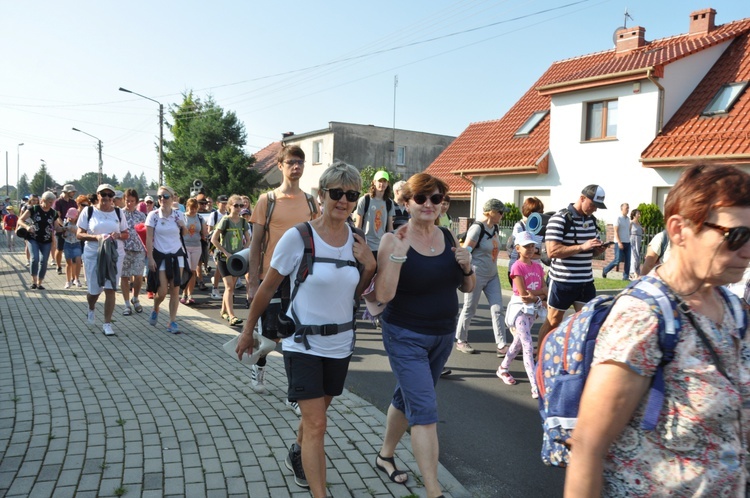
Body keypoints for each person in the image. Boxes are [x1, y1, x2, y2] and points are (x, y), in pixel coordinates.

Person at [564, 163, 750, 496]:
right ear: (679, 230)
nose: (747, 251)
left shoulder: (733, 309)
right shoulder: (643, 316)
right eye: (735, 236)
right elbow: (587, 449)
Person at [236, 163, 376, 497]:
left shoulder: (358, 241)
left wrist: (369, 266)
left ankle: (298, 453)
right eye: (336, 193)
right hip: (302, 344)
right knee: (317, 423)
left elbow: (355, 294)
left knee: (316, 416)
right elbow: (267, 288)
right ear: (322, 195)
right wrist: (247, 329)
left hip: (341, 345)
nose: (343, 201)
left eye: (351, 195)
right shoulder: (299, 237)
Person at [373, 173, 474, 497]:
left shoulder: (447, 236)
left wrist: (468, 266)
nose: (429, 204)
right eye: (421, 198)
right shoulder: (393, 239)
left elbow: (466, 287)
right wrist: (399, 257)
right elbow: (384, 295)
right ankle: (434, 491)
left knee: (408, 397)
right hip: (405, 335)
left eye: (436, 198)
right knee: (425, 412)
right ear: (407, 202)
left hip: (442, 336)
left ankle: (384, 456)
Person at [247, 144, 319, 398]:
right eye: (291, 162)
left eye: (300, 161)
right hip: (271, 277)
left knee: (296, 333)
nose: (296, 166)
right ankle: (258, 371)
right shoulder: (267, 200)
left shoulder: (311, 202)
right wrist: (253, 281)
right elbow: (255, 244)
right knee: (267, 334)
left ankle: (295, 390)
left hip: (301, 279)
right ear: (280, 166)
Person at [537, 185, 608, 347]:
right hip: (562, 281)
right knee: (553, 321)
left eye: (598, 207)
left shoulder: (592, 221)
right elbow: (552, 251)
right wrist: (583, 246)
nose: (595, 209)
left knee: (589, 323)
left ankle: (578, 359)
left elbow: (590, 252)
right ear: (582, 198)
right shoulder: (559, 219)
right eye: (593, 205)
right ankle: (539, 357)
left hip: (585, 281)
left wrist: (597, 250)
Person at [455, 199, 508, 355]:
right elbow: (465, 252)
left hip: (493, 275)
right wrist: (467, 273)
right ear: (491, 212)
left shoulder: (495, 228)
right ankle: (461, 340)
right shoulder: (477, 229)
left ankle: (501, 345)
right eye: (500, 212)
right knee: (470, 309)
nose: (502, 215)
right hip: (477, 275)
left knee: (498, 309)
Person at [497, 231, 547, 397]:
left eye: (533, 246)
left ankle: (503, 368)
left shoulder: (538, 267)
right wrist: (538, 294)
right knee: (527, 345)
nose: (531, 249)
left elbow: (545, 291)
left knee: (518, 343)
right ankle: (535, 385)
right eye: (527, 246)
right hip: (520, 311)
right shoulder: (516, 267)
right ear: (517, 248)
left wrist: (536, 294)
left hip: (532, 311)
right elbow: (523, 295)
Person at [76, 184, 129, 336]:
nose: (106, 198)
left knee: (110, 288)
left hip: (114, 254)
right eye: (103, 194)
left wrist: (118, 235)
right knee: (94, 290)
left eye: (110, 195)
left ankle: (107, 323)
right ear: (98, 195)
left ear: (113, 198)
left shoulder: (118, 212)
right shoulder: (89, 211)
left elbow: (126, 233)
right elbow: (80, 234)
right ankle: (91, 308)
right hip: (94, 254)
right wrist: (97, 237)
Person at [145, 186, 188, 334]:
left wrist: (182, 225)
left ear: (173, 198)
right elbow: (149, 238)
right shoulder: (153, 215)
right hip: (161, 255)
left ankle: (172, 322)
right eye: (159, 197)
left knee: (175, 289)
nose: (162, 199)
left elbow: (185, 233)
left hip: (177, 255)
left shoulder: (178, 215)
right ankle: (156, 307)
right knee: (162, 291)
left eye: (165, 196)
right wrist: (150, 258)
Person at [211, 195, 251, 325]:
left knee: (231, 287)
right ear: (229, 206)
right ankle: (232, 315)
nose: (239, 208)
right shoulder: (225, 220)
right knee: (229, 287)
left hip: (236, 260)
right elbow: (214, 239)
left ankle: (223, 311)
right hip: (224, 258)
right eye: (236, 205)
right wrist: (226, 252)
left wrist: (243, 251)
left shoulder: (243, 222)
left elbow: (248, 239)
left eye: (241, 205)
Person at [18, 191, 62, 290]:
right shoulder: (34, 209)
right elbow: (20, 220)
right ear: (43, 200)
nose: (51, 204)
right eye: (49, 202)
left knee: (44, 261)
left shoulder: (53, 212)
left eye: (52, 202)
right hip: (33, 238)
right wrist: (27, 227)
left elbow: (56, 227)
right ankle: (33, 281)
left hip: (46, 240)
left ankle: (39, 282)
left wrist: (65, 229)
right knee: (35, 259)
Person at [354, 170, 394, 260]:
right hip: (366, 245)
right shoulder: (365, 200)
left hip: (382, 247)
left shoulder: (389, 203)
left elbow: (390, 228)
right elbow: (358, 226)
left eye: (384, 181)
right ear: (374, 182)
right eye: (380, 181)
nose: (382, 184)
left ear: (387, 184)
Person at [120, 189, 147, 315]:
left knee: (138, 275)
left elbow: (146, 232)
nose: (129, 203)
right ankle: (126, 304)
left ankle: (135, 297)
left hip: (139, 249)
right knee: (124, 276)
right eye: (127, 201)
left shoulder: (141, 215)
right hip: (123, 248)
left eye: (132, 201)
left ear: (136, 201)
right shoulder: (119, 214)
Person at [506, 197, 544, 282]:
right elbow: (520, 253)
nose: (542, 215)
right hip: (520, 270)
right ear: (531, 213)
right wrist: (536, 252)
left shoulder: (540, 228)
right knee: (524, 294)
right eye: (540, 212)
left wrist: (536, 253)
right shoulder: (520, 226)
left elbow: (543, 254)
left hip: (536, 270)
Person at [181, 198, 207, 305]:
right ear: (187, 207)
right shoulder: (182, 217)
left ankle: (190, 294)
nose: (193, 210)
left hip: (197, 246)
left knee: (192, 271)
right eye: (191, 208)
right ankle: (184, 293)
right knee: (185, 270)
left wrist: (206, 234)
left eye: (195, 208)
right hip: (185, 246)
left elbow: (204, 232)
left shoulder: (200, 218)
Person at [52, 184, 78, 274]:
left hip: (71, 228)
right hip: (61, 228)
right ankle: (58, 266)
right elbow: (57, 216)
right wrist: (64, 226)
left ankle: (71, 266)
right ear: (67, 192)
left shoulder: (73, 202)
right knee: (59, 248)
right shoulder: (58, 202)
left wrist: (74, 226)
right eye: (72, 191)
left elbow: (76, 214)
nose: (74, 193)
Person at [207, 195, 229, 300]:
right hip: (216, 245)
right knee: (219, 268)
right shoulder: (214, 215)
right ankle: (215, 289)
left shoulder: (229, 215)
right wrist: (211, 249)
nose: (225, 205)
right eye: (223, 203)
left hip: (228, 245)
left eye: (226, 203)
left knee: (226, 268)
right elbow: (209, 232)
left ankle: (227, 290)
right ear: (217, 203)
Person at [602, 203, 631, 280]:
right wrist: (619, 242)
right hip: (619, 242)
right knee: (617, 260)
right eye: (626, 208)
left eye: (628, 208)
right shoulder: (618, 218)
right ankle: (605, 270)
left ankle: (625, 277)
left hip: (627, 242)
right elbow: (616, 231)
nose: (628, 210)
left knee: (628, 261)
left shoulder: (628, 219)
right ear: (622, 209)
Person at [62, 207, 82, 289]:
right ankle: (68, 281)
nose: (70, 219)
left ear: (76, 217)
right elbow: (63, 235)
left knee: (78, 260)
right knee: (68, 263)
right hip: (67, 244)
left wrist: (74, 230)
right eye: (68, 217)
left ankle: (76, 279)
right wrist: (65, 231)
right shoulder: (66, 224)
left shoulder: (79, 224)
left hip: (76, 244)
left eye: (72, 217)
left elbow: (80, 234)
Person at [629, 208, 643, 279]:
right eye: (638, 213)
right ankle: (633, 273)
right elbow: (628, 232)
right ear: (634, 215)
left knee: (638, 257)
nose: (639, 215)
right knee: (634, 256)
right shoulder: (631, 223)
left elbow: (641, 232)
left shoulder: (639, 223)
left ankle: (637, 272)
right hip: (633, 240)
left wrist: (643, 230)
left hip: (639, 240)